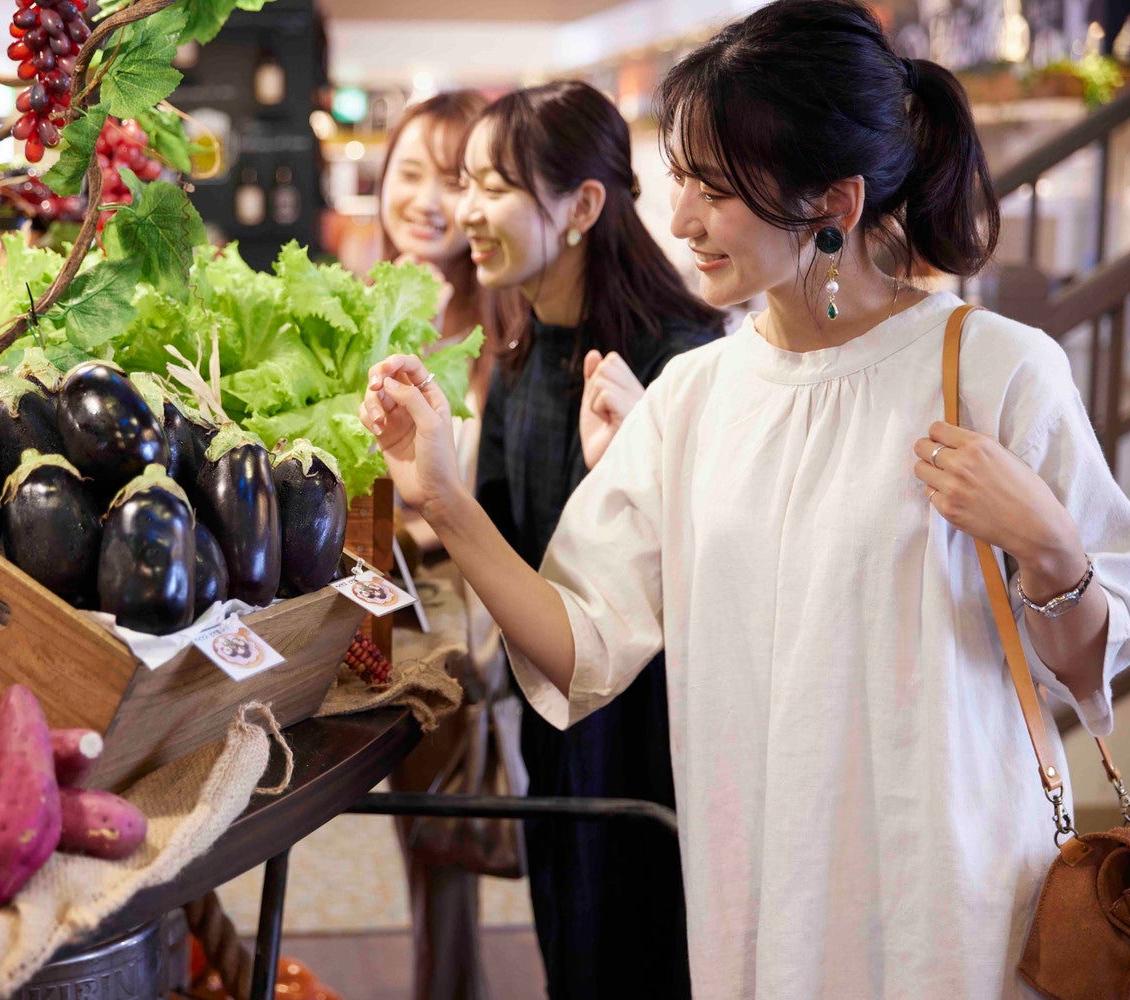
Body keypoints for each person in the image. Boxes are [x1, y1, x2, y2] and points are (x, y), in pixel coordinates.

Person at [358, 2, 1130, 997]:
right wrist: (443, 499)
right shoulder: (697, 396)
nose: (682, 219)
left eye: (716, 190)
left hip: (947, 901)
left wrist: (1049, 546)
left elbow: (1093, 662)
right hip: (760, 899)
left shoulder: (993, 369)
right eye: (682, 181)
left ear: (836, 203)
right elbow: (578, 642)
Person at [458, 80, 723, 999]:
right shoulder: (523, 344)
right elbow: (504, 541)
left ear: (582, 207)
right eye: (465, 183)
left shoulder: (680, 362)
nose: (466, 212)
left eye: (493, 186)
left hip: (652, 753)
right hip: (557, 733)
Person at [373, 89, 514, 1000]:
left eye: (454, 180)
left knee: (444, 844)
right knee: (422, 841)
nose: (426, 199)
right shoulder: (361, 305)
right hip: (373, 605)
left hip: (460, 623)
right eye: (410, 172)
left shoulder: (504, 329)